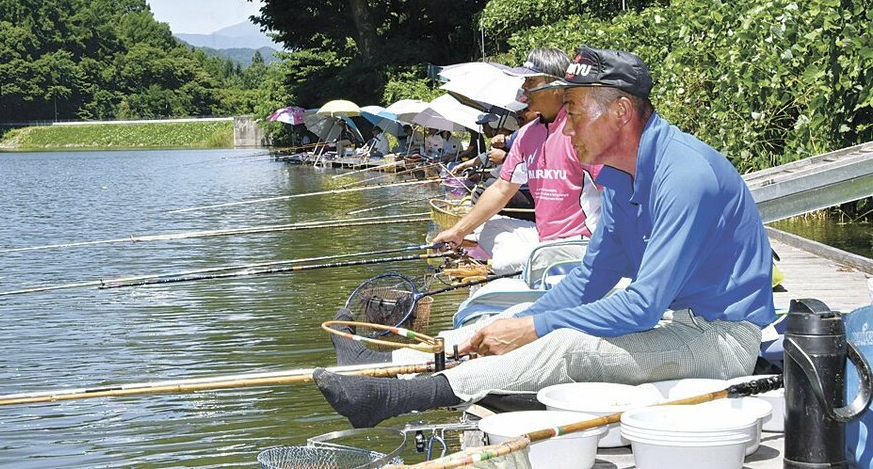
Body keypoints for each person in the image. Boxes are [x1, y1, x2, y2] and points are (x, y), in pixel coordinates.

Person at [314, 45, 777, 428]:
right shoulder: (620, 175)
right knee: (512, 313)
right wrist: (519, 321)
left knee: (565, 344)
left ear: (619, 111)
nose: (567, 125)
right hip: (675, 323)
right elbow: (592, 276)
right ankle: (383, 367)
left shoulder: (685, 175)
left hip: (722, 339)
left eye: (574, 110)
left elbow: (644, 303)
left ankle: (391, 398)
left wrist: (535, 329)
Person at [433, 48, 602, 274]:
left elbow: (616, 193)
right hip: (545, 237)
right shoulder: (527, 134)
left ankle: (534, 267)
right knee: (487, 227)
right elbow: (502, 188)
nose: (524, 88)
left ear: (556, 86)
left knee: (505, 263)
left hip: (581, 242)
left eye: (530, 81)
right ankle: (534, 263)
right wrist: (459, 231)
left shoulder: (583, 131)